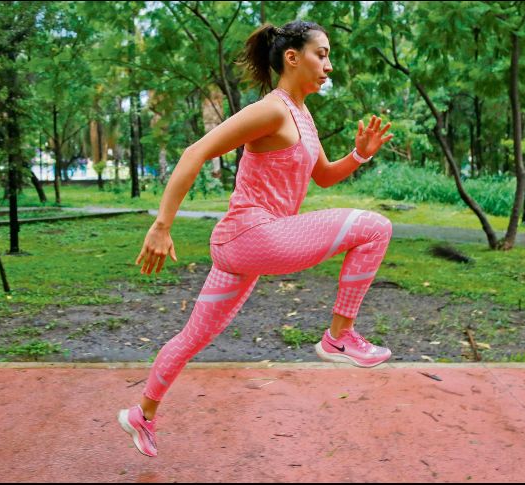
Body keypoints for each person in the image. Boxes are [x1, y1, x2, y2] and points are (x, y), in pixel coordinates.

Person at [119, 20, 394, 457]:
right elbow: (196, 152)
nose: (328, 66)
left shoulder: (302, 115)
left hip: (245, 246)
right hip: (252, 233)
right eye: (321, 55)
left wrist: (360, 154)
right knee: (376, 227)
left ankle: (142, 414)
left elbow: (322, 176)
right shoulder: (272, 109)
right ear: (292, 57)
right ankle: (340, 336)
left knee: (192, 338)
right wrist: (162, 224)